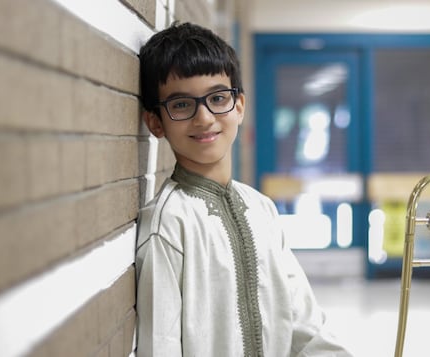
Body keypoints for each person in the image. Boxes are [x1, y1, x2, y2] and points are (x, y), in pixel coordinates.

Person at [135, 22, 353, 357]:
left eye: (218, 98)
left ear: (239, 106)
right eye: (181, 105)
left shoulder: (261, 208)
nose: (204, 118)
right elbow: (159, 347)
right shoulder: (169, 223)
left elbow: (306, 325)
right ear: (155, 123)